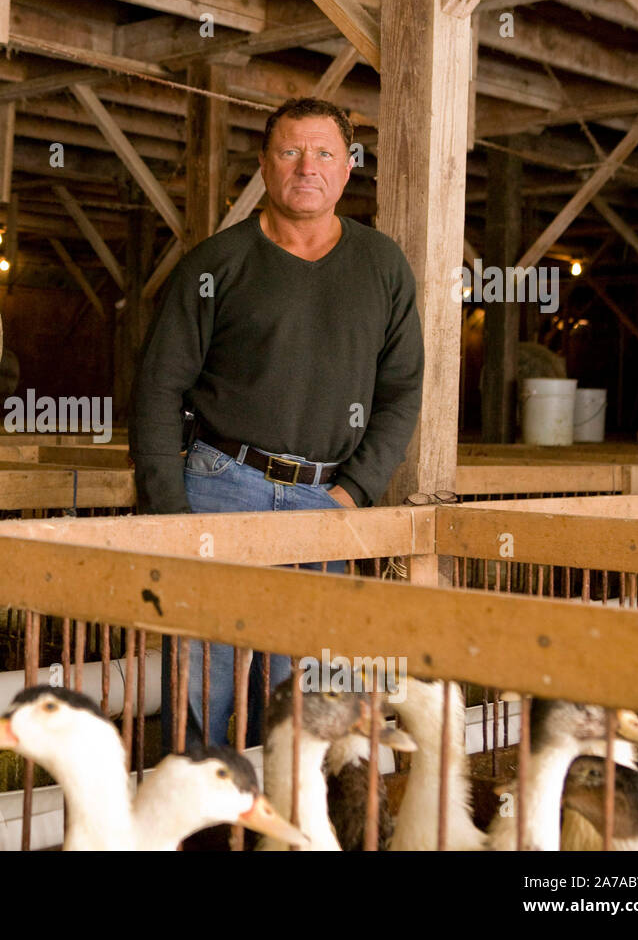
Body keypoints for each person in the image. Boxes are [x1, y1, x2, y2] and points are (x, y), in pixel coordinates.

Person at [129, 97, 424, 751]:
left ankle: (283, 831)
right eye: (290, 152)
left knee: (301, 700)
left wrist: (353, 493)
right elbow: (158, 390)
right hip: (220, 485)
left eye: (324, 153)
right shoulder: (215, 264)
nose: (306, 167)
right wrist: (170, 514)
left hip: (327, 499)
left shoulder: (382, 267)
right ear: (264, 166)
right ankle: (194, 827)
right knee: (202, 688)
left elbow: (402, 393)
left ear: (348, 169)